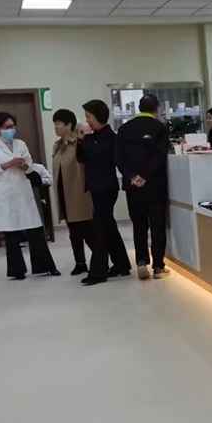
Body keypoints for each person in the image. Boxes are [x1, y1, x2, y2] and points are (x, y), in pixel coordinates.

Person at [0, 111, 60, 281]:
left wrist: (25, 166)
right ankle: (17, 271)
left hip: (23, 191)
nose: (11, 130)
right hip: (5, 195)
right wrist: (8, 164)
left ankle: (45, 266)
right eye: (7, 127)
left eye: (13, 126)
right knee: (12, 233)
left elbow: (30, 165)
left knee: (35, 229)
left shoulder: (20, 144)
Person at [76, 100, 132, 285]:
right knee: (108, 226)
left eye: (89, 117)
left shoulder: (110, 138)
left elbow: (97, 156)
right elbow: (82, 157)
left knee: (100, 229)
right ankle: (122, 264)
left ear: (98, 116)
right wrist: (81, 140)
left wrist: (86, 139)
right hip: (96, 187)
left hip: (107, 188)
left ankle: (98, 271)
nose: (87, 121)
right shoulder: (92, 137)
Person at [116, 94, 170, 280]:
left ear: (139, 108)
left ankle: (141, 263)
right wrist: (145, 175)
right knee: (157, 224)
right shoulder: (160, 128)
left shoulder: (124, 129)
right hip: (155, 184)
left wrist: (133, 176)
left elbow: (119, 158)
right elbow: (160, 155)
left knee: (139, 224)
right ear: (157, 108)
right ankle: (158, 267)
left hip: (132, 186)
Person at [51, 109, 95, 276]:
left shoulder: (79, 142)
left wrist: (82, 134)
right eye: (54, 124)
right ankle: (80, 263)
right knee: (73, 231)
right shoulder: (57, 146)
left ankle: (100, 260)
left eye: (58, 123)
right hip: (63, 192)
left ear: (69, 125)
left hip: (78, 192)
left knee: (86, 230)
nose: (55, 127)